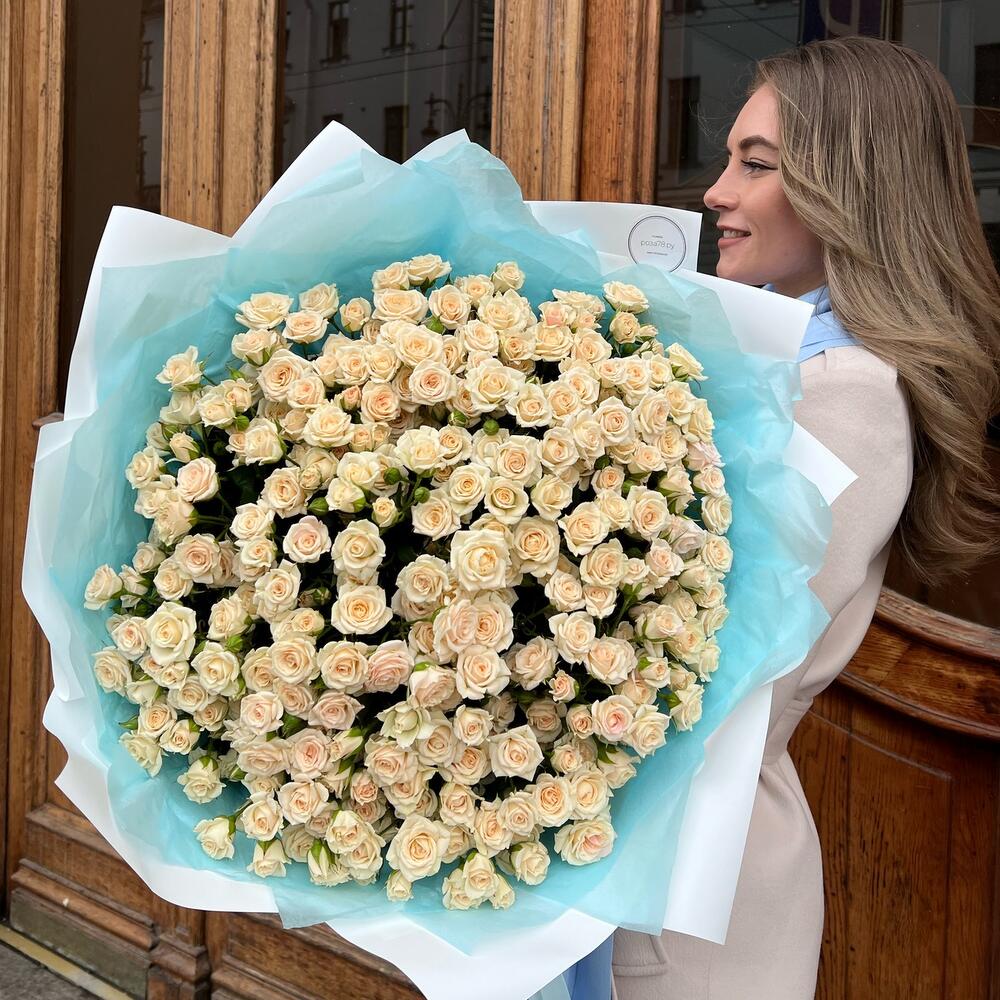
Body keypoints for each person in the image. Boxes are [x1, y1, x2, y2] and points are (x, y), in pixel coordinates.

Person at [612, 36, 1000, 1000]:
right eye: (729, 160)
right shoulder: (769, 358)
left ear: (847, 192)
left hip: (696, 890)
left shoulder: (845, 393)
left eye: (756, 164)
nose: (715, 193)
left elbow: (724, 668)